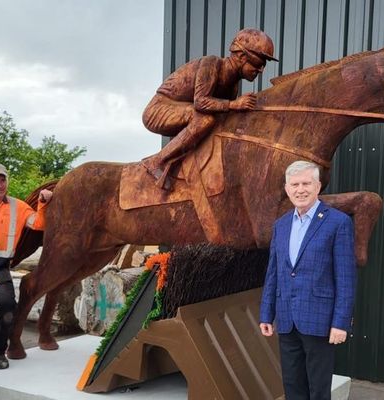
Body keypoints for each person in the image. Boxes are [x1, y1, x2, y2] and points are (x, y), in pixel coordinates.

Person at [259, 160, 357, 400]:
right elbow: (274, 272)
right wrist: (266, 313)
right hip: (287, 319)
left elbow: (346, 277)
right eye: (294, 184)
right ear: (286, 188)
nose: (300, 189)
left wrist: (340, 323)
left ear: (318, 186)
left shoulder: (337, 222)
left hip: (320, 321)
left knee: (318, 389)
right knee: (292, 386)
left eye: (306, 183)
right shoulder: (281, 225)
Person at [141, 28, 278, 189]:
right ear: (241, 56)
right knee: (205, 119)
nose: (261, 69)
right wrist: (233, 105)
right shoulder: (212, 64)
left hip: (186, 113)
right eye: (259, 62)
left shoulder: (232, 86)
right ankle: (156, 161)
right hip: (158, 110)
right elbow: (200, 102)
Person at [0, 163, 53, 370]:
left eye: (2, 180)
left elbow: (39, 224)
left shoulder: (19, 206)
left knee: (7, 307)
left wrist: (43, 202)